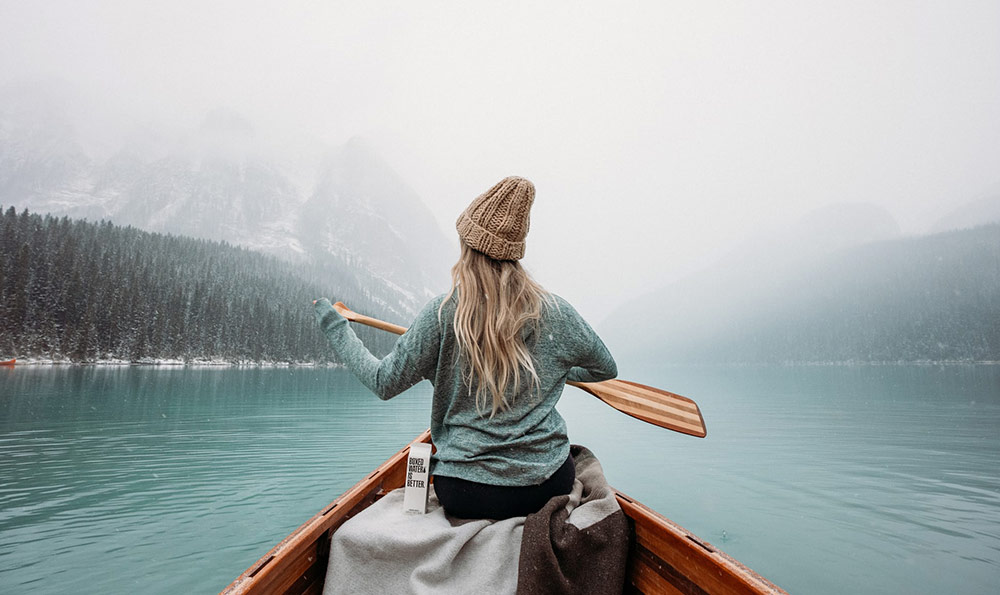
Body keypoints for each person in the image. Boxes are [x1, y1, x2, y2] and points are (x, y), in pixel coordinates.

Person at [313, 176, 617, 520]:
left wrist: (336, 328)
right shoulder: (556, 313)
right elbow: (605, 368)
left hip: (467, 492)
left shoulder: (442, 314)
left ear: (467, 246)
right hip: (545, 486)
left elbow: (384, 382)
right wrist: (554, 369)